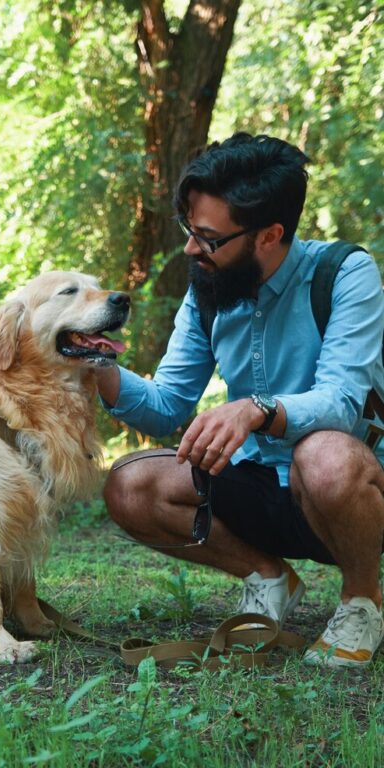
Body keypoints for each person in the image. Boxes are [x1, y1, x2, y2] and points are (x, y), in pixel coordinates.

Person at [97, 132, 384, 668]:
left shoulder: (345, 274)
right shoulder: (209, 285)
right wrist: (96, 363)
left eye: (207, 237)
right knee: (130, 484)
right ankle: (268, 578)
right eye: (190, 230)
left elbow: (343, 402)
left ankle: (362, 601)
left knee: (322, 454)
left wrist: (257, 408)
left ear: (269, 235)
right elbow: (167, 405)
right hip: (256, 482)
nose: (190, 249)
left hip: (346, 489)